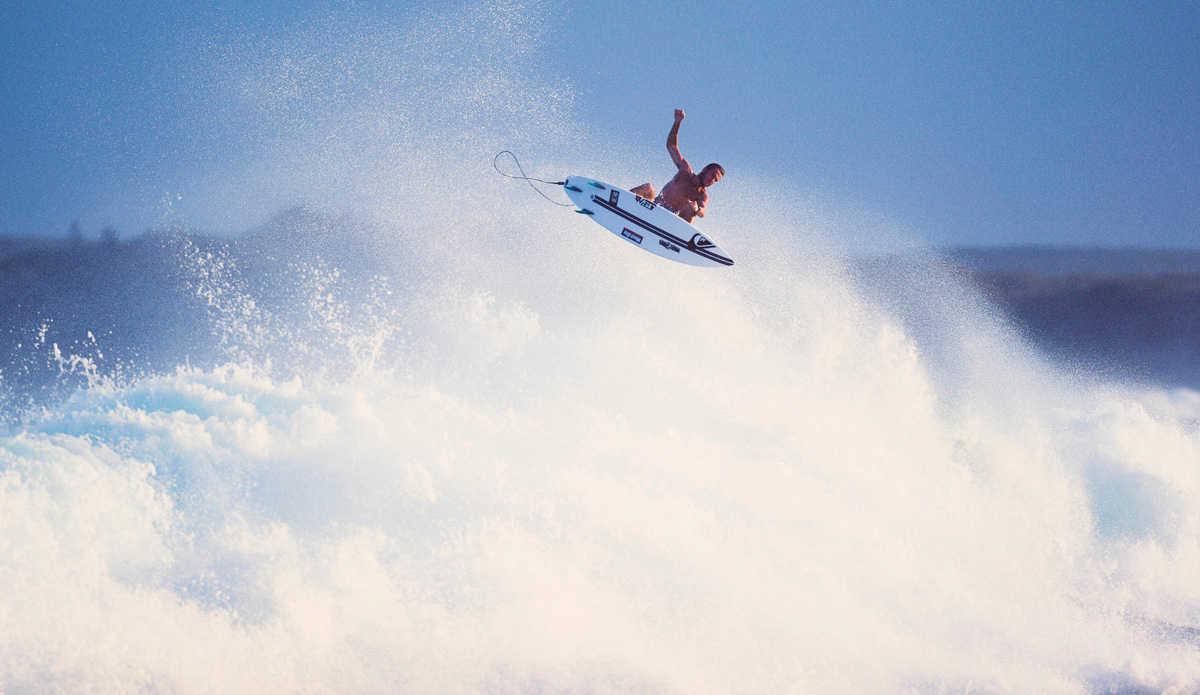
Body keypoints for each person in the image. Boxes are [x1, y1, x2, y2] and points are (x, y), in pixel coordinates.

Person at [630, 109, 724, 223]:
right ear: (705, 169)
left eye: (715, 180)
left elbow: (703, 211)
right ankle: (619, 201)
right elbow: (672, 146)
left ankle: (677, 239)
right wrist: (677, 122)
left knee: (691, 209)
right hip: (653, 206)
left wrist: (697, 208)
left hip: (669, 220)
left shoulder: (702, 195)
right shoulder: (685, 171)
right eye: (712, 175)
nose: (712, 180)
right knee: (648, 187)